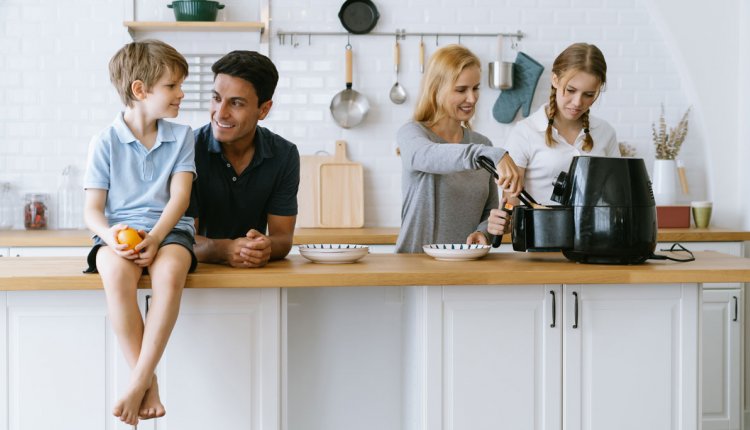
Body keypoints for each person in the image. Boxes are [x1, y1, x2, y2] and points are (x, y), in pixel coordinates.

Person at [83, 40, 197, 426]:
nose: (181, 93)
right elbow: (92, 211)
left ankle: (137, 383)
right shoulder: (104, 142)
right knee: (114, 274)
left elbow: (180, 198)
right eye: (173, 86)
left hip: (170, 230)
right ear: (140, 89)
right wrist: (111, 234)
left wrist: (158, 237)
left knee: (170, 273)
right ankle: (147, 384)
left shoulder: (183, 137)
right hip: (119, 235)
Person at [396, 44, 521, 253]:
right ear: (436, 89)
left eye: (476, 88)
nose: (472, 98)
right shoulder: (412, 134)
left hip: (467, 267)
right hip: (417, 267)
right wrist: (491, 154)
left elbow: (488, 211)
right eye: (461, 90)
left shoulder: (482, 144)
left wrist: (485, 231)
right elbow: (428, 156)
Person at [188, 50, 299, 267]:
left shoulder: (284, 155)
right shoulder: (187, 150)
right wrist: (225, 249)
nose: (220, 113)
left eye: (236, 103)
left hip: (256, 278)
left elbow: (283, 239)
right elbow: (182, 239)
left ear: (264, 109)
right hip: (198, 278)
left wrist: (264, 247)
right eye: (216, 98)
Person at [504, 42, 619, 205]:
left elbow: (615, 194)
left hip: (593, 230)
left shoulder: (605, 132)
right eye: (571, 90)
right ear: (555, 80)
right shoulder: (525, 132)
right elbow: (510, 202)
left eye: (588, 94)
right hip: (539, 229)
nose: (577, 102)